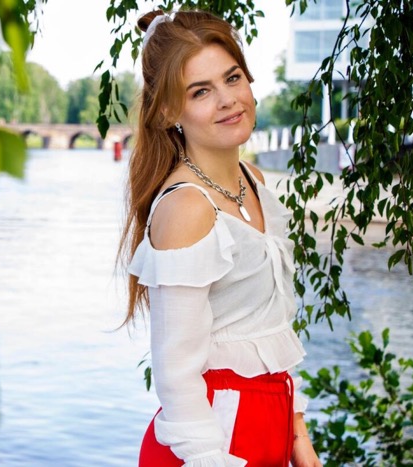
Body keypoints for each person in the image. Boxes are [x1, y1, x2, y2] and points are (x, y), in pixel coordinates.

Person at [118, 9, 323, 467]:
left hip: (269, 430)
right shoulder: (187, 208)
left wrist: (298, 434)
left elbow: (271, 327)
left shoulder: (254, 181)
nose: (228, 100)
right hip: (211, 444)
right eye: (201, 91)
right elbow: (177, 377)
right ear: (169, 111)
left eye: (232, 78)